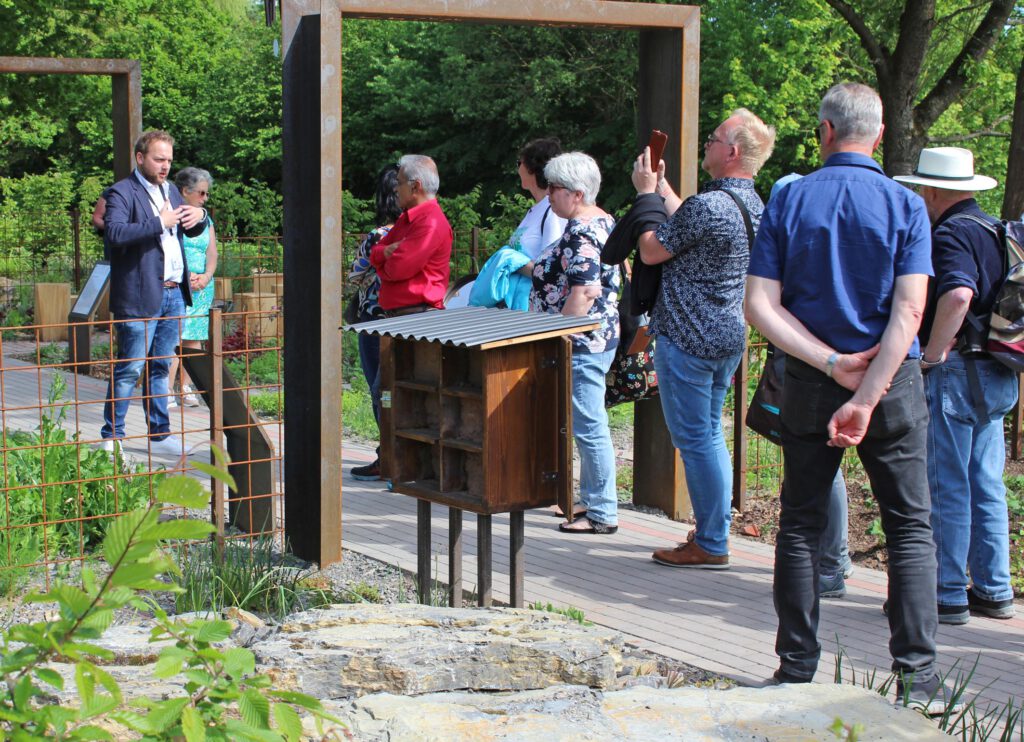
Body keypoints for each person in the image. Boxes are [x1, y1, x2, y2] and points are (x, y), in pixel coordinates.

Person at [745, 83, 953, 713]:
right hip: (892, 386)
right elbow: (911, 309)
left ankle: (795, 667)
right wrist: (868, 393)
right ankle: (918, 679)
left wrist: (830, 363)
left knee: (801, 525)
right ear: (880, 137)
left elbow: (760, 305)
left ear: (825, 132)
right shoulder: (906, 205)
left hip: (810, 383)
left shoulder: (790, 198)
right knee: (910, 529)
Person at [631, 108, 775, 568]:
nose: (706, 144)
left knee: (697, 440)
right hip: (727, 335)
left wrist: (644, 196)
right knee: (709, 435)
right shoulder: (752, 203)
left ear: (731, 152)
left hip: (688, 338)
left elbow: (652, 249)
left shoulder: (709, 206)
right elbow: (689, 224)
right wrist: (664, 189)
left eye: (713, 139)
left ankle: (711, 541)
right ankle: (712, 531)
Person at [894, 147, 1018, 624]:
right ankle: (994, 589)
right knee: (986, 483)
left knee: (947, 484)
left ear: (932, 190)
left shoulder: (950, 234)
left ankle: (947, 593)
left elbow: (959, 294)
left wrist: (933, 353)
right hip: (998, 372)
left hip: (957, 373)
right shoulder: (996, 229)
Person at [768, 173, 854, 597]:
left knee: (820, 470)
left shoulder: (802, 244)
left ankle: (831, 563)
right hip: (828, 364)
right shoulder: (832, 237)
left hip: (814, 368)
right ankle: (836, 558)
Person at [529, 152, 620, 535]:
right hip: (597, 338)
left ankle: (602, 513)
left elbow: (582, 292)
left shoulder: (582, 232)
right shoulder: (603, 221)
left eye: (555, 188)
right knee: (586, 422)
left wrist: (558, 337)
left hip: (581, 343)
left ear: (577, 193)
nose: (548, 194)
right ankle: (590, 498)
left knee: (589, 425)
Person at [100, 130, 205, 456]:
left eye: (169, 160)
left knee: (161, 366)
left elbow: (189, 227)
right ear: (141, 157)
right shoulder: (121, 193)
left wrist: (198, 216)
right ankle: (112, 435)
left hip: (174, 293)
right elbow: (114, 233)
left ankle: (159, 434)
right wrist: (160, 222)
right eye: (159, 159)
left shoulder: (171, 190)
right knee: (130, 367)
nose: (165, 166)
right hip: (139, 295)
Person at [364, 155, 453, 480]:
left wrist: (385, 259)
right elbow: (380, 251)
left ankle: (408, 464)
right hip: (399, 318)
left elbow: (398, 266)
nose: (396, 188)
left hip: (418, 318)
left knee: (399, 391)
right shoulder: (409, 217)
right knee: (389, 390)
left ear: (415, 186)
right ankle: (397, 461)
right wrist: (385, 255)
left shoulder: (430, 221)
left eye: (400, 183)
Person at [349, 164, 402, 482]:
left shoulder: (378, 236)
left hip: (375, 320)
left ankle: (387, 455)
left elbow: (355, 275)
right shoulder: (419, 231)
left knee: (379, 390)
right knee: (401, 388)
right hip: (412, 319)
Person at [166, 167, 217, 409]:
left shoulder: (207, 220)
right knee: (174, 337)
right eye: (202, 193)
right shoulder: (170, 215)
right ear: (185, 191)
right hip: (179, 284)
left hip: (202, 287)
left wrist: (206, 275)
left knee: (194, 337)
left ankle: (186, 386)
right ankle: (165, 389)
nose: (205, 198)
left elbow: (212, 253)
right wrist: (187, 277)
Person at [511, 138, 568, 263]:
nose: (518, 169)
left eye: (519, 163)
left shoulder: (554, 210)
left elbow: (551, 267)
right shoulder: (537, 209)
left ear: (531, 168)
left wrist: (509, 260)